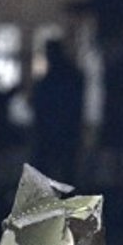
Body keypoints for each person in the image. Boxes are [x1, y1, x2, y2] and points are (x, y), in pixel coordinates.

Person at [30, 38, 85, 185]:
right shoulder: (73, 76)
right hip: (67, 129)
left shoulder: (49, 79)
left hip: (49, 129)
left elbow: (40, 103)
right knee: (66, 170)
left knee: (45, 167)